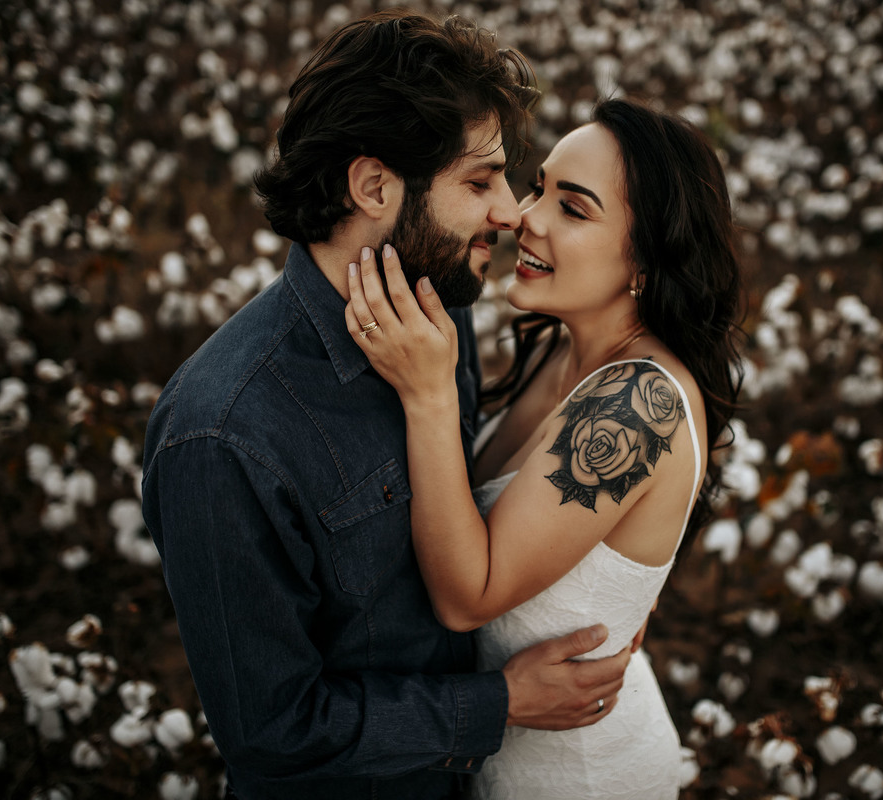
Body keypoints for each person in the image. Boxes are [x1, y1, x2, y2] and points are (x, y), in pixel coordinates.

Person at [141, 12, 635, 800]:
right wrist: (499, 704)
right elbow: (272, 732)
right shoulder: (222, 435)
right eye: (478, 182)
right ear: (373, 187)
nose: (511, 212)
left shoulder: (444, 307)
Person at [344, 97, 745, 799]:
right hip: (507, 752)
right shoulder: (566, 353)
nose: (525, 216)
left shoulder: (635, 405)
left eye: (575, 208)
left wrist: (429, 396)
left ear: (646, 263)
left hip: (581, 778)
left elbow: (470, 597)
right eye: (541, 188)